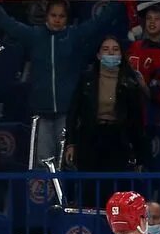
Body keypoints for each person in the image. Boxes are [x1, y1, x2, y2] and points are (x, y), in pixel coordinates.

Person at [0, 0, 128, 168]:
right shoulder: (34, 35)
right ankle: (47, 195)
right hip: (41, 112)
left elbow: (99, 22)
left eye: (62, 16)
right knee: (43, 162)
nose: (57, 19)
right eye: (53, 15)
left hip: (68, 113)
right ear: (46, 16)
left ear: (67, 18)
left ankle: (68, 195)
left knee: (68, 161)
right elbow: (9, 24)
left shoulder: (74, 35)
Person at [64, 36, 152, 175]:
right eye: (106, 49)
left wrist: (139, 155)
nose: (111, 53)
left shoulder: (129, 82)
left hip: (118, 140)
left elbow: (136, 121)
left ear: (121, 55)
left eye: (115, 50)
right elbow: (73, 113)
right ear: (99, 55)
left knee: (114, 187)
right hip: (90, 138)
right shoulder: (87, 80)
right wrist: (71, 144)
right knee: (90, 188)